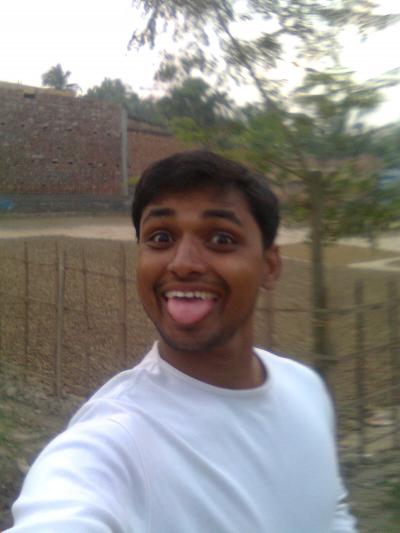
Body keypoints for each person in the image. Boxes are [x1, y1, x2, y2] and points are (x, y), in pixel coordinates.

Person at [7, 151, 357, 532]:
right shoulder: (115, 442)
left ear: (270, 266)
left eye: (221, 238)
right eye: (161, 238)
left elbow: (331, 511)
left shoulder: (306, 388)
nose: (183, 263)